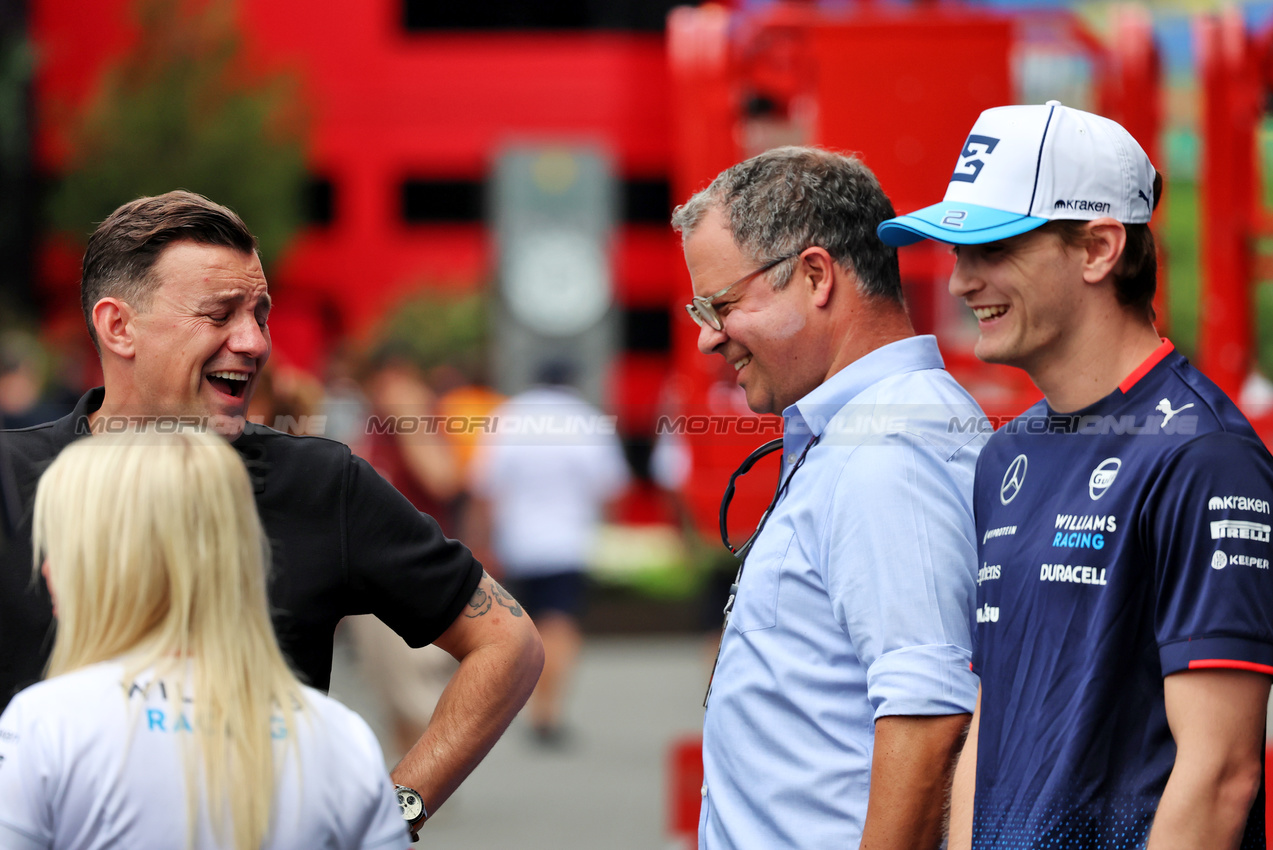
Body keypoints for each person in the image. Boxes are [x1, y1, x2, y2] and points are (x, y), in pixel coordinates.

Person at [0, 191, 544, 840]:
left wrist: (398, 806)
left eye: (260, 313)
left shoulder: (320, 483)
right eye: (219, 314)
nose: (254, 342)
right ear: (119, 327)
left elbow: (506, 642)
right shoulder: (10, 478)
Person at [877, 101, 1273, 849]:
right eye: (957, 253)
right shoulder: (1004, 457)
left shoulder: (1202, 456)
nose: (961, 283)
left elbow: (1221, 772)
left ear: (1097, 249)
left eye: (991, 248)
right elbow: (990, 720)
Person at [671, 146, 986, 849]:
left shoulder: (888, 448)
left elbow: (927, 720)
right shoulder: (862, 432)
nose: (705, 338)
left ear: (815, 275)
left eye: (720, 305)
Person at [0, 428, 407, 849]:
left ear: (112, 564)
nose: (46, 571)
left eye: (61, 549)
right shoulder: (340, 738)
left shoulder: (45, 727)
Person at [469, 360, 630, 744]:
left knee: (512, 629)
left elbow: (485, 489)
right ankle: (546, 710)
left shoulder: (508, 416)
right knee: (560, 626)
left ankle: (511, 705)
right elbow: (611, 488)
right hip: (569, 543)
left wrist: (478, 543)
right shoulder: (585, 420)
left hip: (516, 543)